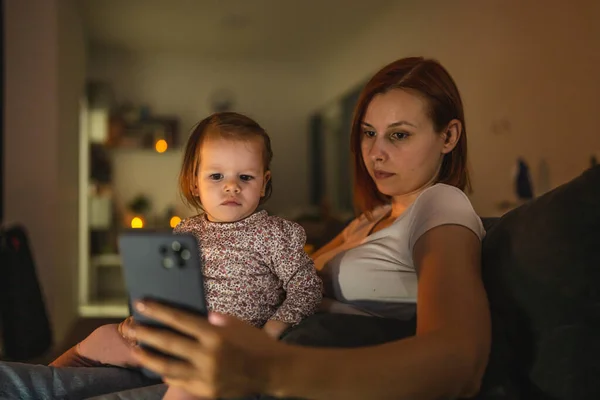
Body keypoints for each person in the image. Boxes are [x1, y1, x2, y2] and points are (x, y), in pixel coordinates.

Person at [123, 56, 492, 400]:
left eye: (398, 135)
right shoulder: (375, 219)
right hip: (255, 355)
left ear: (448, 136)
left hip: (287, 371)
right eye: (368, 133)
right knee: (92, 365)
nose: (375, 153)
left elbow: (460, 360)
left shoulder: (439, 203)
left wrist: (265, 367)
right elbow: (300, 270)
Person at [50, 111, 323, 400]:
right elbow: (168, 287)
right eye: (216, 176)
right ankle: (40, 387)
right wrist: (144, 321)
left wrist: (271, 331)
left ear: (264, 182)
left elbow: (307, 287)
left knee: (184, 392)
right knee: (104, 335)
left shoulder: (276, 233)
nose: (232, 186)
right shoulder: (186, 231)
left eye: (245, 176)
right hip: (176, 340)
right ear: (195, 182)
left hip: (226, 351)